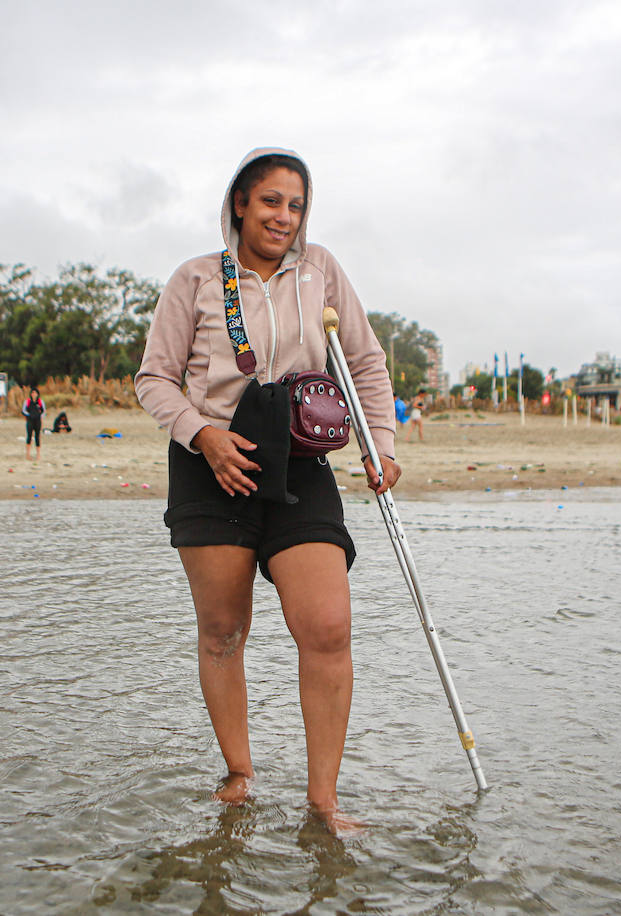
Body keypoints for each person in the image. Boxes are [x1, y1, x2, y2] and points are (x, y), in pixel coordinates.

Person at [135, 148, 399, 832]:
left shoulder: (321, 272)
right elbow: (154, 380)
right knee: (224, 631)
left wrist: (383, 446)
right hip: (209, 464)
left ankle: (324, 801)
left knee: (328, 627)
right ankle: (240, 773)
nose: (285, 216)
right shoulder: (195, 279)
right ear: (240, 205)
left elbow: (365, 362)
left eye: (297, 205)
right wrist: (204, 436)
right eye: (272, 201)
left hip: (299, 466)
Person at [23, 388, 46, 460]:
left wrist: (39, 416)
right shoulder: (27, 402)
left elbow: (44, 411)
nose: (34, 394)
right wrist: (29, 415)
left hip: (37, 421)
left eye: (35, 393)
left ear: (38, 394)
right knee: (29, 436)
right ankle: (27, 454)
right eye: (32, 393)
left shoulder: (40, 402)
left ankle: (38, 454)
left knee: (37, 436)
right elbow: (23, 410)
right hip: (30, 420)